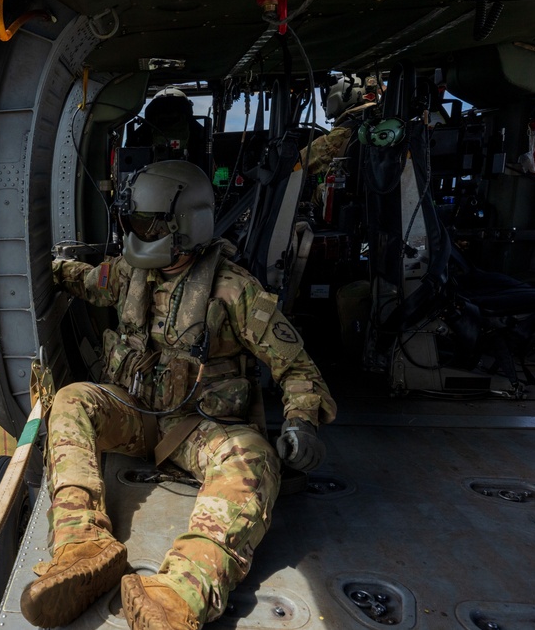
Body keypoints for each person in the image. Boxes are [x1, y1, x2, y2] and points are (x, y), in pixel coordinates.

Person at [21, 160, 337, 629]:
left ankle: (178, 596)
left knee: (252, 455)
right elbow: (82, 280)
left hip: (197, 429)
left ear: (185, 225)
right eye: (132, 222)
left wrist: (301, 421)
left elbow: (296, 367)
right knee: (71, 399)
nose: (137, 232)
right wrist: (45, 266)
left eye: (148, 224)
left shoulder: (233, 290)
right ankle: (82, 545)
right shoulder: (128, 274)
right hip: (134, 411)